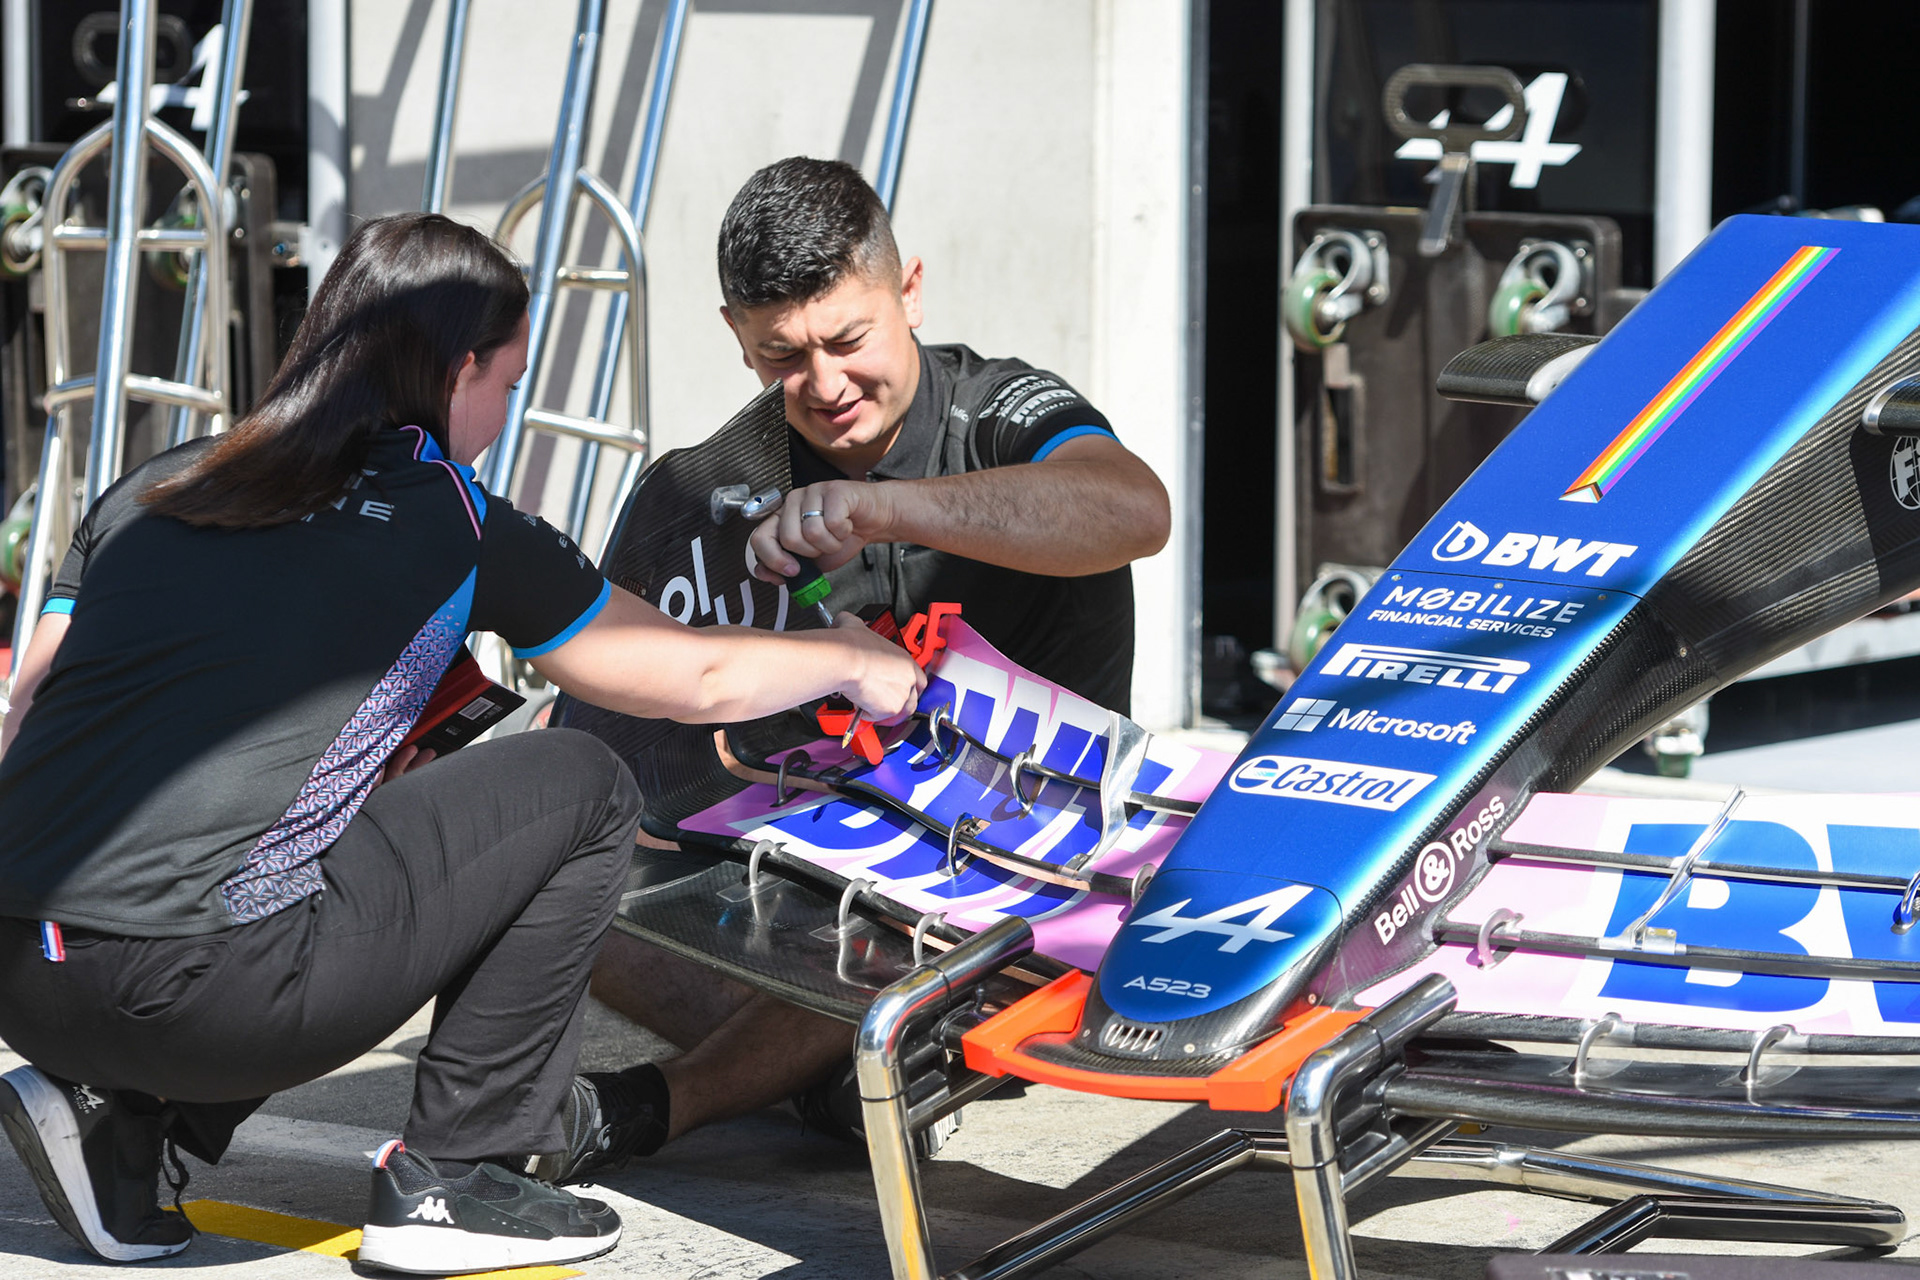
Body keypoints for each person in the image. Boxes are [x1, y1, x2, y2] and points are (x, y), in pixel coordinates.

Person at [0, 212, 923, 1275]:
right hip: (200, 997)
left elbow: (33, 715)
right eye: (508, 383)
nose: (502, 415)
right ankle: (455, 1177)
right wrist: (850, 660)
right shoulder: (450, 515)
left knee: (370, 810)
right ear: (458, 369)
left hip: (25, 976)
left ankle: (121, 1122)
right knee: (578, 779)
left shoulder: (154, 484)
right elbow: (693, 677)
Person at [566, 157, 1171, 1176]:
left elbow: (1134, 510)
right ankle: (853, 1068)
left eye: (848, 340)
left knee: (893, 939)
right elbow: (620, 721)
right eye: (781, 356)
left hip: (1017, 866)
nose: (825, 385)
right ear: (737, 336)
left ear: (911, 291)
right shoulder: (713, 486)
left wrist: (883, 508)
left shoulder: (1000, 409)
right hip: (801, 869)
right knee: (543, 861)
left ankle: (666, 1101)